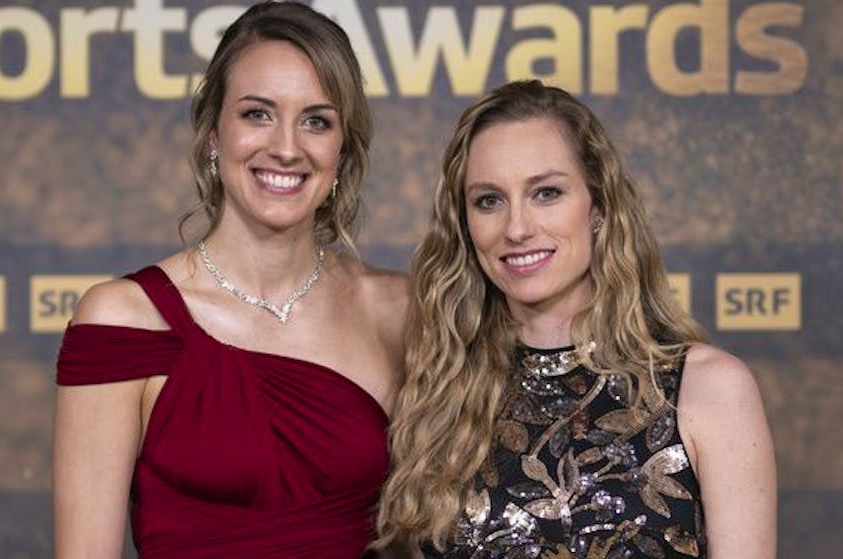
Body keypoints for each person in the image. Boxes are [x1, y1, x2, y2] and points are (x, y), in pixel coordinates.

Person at [52, 3, 407, 557]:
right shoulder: (123, 320)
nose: (287, 147)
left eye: (317, 119)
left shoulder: (398, 307)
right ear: (213, 133)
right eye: (257, 114)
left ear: (342, 149)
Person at [377, 80, 775, 558]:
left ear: (599, 206)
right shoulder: (435, 396)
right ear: (465, 225)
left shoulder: (708, 388)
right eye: (489, 200)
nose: (517, 228)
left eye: (546, 193)